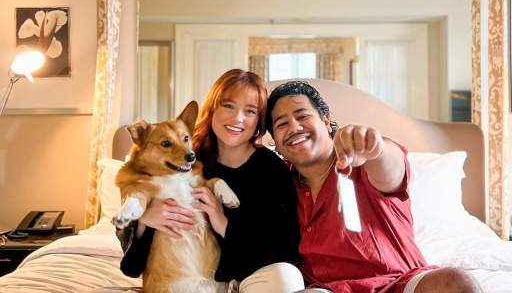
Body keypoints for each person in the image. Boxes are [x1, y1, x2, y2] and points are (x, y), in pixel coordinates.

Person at [265, 80, 483, 293]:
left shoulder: (364, 161)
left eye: (302, 116)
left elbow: (391, 167)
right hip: (327, 290)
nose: (294, 127)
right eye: (281, 124)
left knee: (455, 282)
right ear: (275, 140)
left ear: (326, 120)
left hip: (399, 284)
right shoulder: (277, 183)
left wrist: (375, 150)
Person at [117, 69, 304, 293]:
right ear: (212, 108)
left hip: (255, 279)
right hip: (180, 279)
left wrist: (221, 221)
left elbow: (285, 249)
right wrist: (145, 219)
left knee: (286, 277)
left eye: (250, 111)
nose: (238, 118)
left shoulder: (271, 168)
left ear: (259, 121)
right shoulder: (183, 160)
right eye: (228, 106)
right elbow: (134, 264)